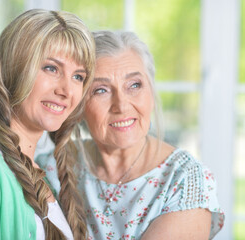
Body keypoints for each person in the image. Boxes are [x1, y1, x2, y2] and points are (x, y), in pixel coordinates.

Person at [35, 30, 225, 239]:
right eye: (101, 90)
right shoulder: (53, 167)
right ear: (78, 105)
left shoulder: (185, 181)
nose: (122, 106)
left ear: (151, 92)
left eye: (134, 85)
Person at [0, 9, 95, 240]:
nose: (66, 90)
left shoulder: (42, 171)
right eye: (51, 68)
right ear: (14, 69)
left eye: (78, 77)